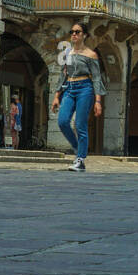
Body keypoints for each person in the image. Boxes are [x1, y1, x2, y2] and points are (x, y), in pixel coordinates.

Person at [51, 21, 105, 172]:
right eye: (72, 32)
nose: (73, 34)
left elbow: (96, 78)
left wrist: (98, 101)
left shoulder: (91, 55)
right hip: (69, 88)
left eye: (77, 32)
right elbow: (63, 75)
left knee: (80, 125)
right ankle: (77, 148)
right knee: (62, 121)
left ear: (85, 35)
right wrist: (56, 96)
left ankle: (80, 160)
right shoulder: (67, 53)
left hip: (85, 89)